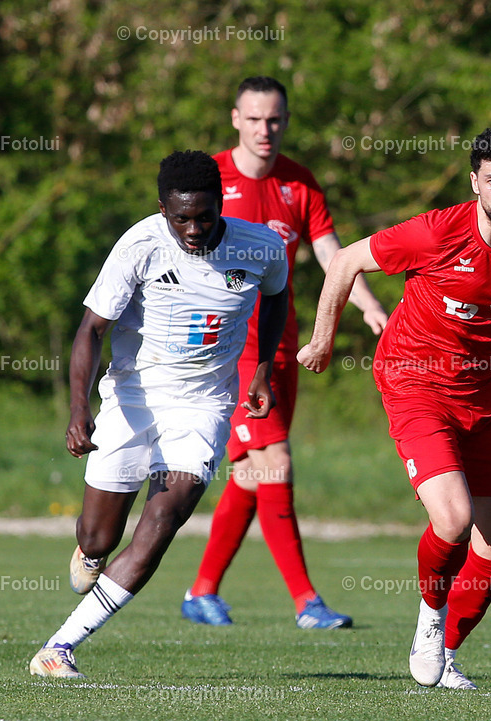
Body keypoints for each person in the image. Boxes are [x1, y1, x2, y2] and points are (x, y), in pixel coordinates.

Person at [297, 126, 491, 689]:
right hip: (414, 380)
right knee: (453, 520)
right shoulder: (437, 231)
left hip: (485, 396)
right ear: (475, 181)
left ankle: (447, 652)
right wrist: (323, 341)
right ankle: (430, 620)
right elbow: (344, 262)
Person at [29, 150, 289, 678]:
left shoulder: (262, 246)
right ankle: (93, 554)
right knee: (97, 538)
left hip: (205, 403)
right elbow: (91, 330)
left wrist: (263, 368)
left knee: (164, 517)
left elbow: (278, 298)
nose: (193, 229)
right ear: (162, 209)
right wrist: (79, 410)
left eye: (204, 216)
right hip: (132, 397)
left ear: (221, 204)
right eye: (180, 218)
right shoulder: (139, 245)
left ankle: (59, 647)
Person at [180, 76, 388, 630]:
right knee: (274, 465)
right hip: (227, 348)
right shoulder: (211, 180)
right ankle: (306, 602)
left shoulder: (300, 184)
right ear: (235, 119)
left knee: (253, 476)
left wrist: (366, 305)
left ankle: (201, 592)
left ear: (284, 121)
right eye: (254, 119)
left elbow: (332, 255)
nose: (264, 129)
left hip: (280, 345)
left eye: (274, 120)